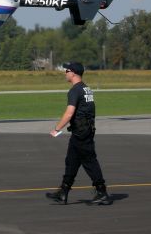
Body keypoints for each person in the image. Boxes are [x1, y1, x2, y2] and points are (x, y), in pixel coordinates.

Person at [46, 61, 112, 205]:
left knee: (90, 162)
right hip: (82, 131)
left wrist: (57, 129)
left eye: (67, 70)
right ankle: (63, 192)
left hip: (82, 133)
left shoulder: (75, 90)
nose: (65, 73)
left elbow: (69, 113)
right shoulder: (86, 89)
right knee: (71, 161)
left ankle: (102, 192)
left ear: (73, 72)